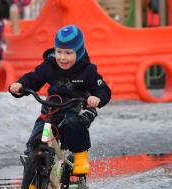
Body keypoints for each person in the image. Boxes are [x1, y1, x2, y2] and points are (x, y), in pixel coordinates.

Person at [9, 25, 111, 175]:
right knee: (38, 138)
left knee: (72, 124)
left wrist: (96, 98)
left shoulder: (87, 70)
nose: (62, 57)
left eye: (68, 53)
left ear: (79, 52)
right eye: (59, 52)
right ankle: (31, 183)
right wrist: (21, 85)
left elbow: (103, 89)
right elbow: (34, 78)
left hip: (78, 107)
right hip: (53, 108)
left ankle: (81, 157)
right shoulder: (50, 65)